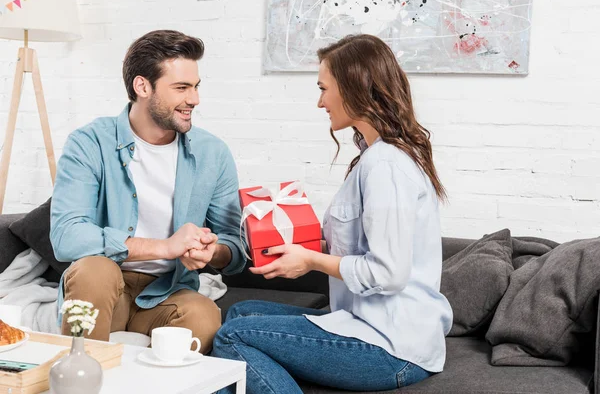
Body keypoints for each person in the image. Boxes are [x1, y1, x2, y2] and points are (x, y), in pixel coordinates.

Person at [212, 34, 453, 392]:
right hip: (365, 323)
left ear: (354, 87)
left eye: (324, 88)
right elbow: (355, 246)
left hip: (392, 345)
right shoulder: (375, 158)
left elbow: (389, 273)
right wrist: (282, 234)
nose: (320, 102)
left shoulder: (386, 165)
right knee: (241, 312)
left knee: (233, 337)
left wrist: (309, 261)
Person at [50, 30, 245, 352]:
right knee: (94, 270)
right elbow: (67, 237)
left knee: (204, 316)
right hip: (103, 284)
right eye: (181, 88)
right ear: (142, 86)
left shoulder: (213, 153)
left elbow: (233, 246)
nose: (194, 99)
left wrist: (214, 251)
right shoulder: (89, 143)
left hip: (166, 291)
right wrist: (164, 247)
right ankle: (80, 375)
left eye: (195, 87)